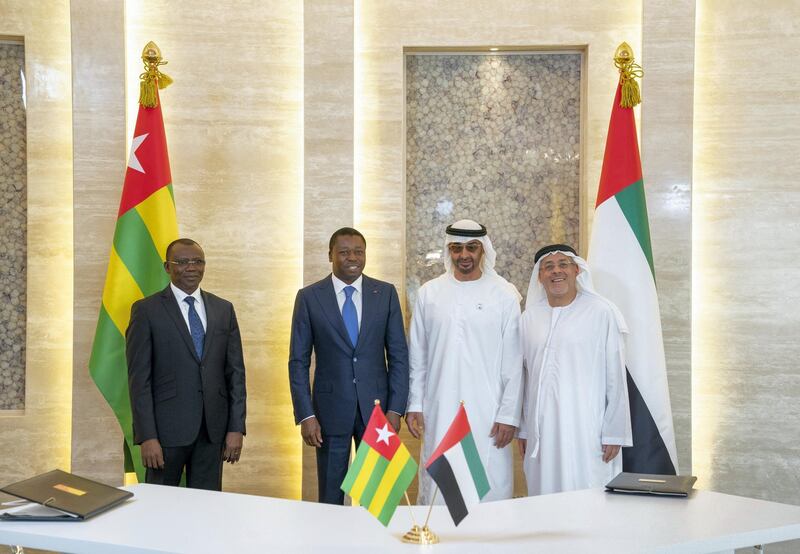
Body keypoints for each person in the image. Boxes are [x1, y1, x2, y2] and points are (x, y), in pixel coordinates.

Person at [288, 227, 409, 505]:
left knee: (378, 500)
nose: (352, 257)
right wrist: (306, 415)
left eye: (358, 252)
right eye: (343, 252)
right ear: (330, 255)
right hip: (328, 414)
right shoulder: (309, 297)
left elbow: (399, 356)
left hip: (378, 414)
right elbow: (298, 361)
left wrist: (395, 410)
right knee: (331, 499)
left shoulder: (386, 293)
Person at [406, 219, 523, 503]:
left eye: (471, 247)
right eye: (456, 248)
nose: (464, 255)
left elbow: (515, 361)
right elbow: (417, 356)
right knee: (440, 484)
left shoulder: (504, 294)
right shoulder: (429, 293)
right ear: (449, 250)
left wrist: (508, 414)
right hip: (440, 404)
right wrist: (416, 404)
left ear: (483, 250)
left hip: (488, 410)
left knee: (489, 480)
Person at [126, 238, 246, 490]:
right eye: (182, 262)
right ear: (167, 267)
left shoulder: (223, 309)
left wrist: (236, 428)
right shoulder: (146, 310)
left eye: (197, 261)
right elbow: (139, 381)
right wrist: (147, 436)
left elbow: (235, 374)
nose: (191, 267)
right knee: (160, 509)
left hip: (212, 432)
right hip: (165, 434)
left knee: (207, 510)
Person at [518, 244, 632, 495]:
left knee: (587, 493)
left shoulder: (601, 312)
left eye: (563, 265)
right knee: (544, 496)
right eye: (548, 267)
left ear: (577, 270)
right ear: (540, 275)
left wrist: (614, 432)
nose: (556, 272)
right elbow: (526, 380)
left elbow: (615, 375)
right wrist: (525, 429)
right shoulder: (529, 318)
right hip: (542, 433)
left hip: (587, 428)